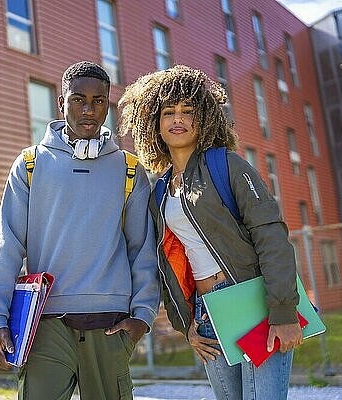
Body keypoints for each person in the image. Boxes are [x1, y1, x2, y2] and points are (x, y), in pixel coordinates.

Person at [118, 64, 302, 400]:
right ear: (155, 125)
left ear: (203, 118)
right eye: (168, 112)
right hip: (207, 313)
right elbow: (165, 262)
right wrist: (185, 323)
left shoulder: (227, 165)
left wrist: (283, 311)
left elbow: (271, 234)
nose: (178, 119)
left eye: (188, 111)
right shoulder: (159, 190)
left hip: (253, 301)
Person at [0, 61, 160, 400]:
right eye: (78, 99)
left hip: (112, 326)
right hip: (46, 326)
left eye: (99, 100)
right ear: (61, 103)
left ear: (109, 103)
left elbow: (142, 250)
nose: (89, 109)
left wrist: (142, 317)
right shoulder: (30, 164)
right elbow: (7, 245)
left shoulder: (129, 169)